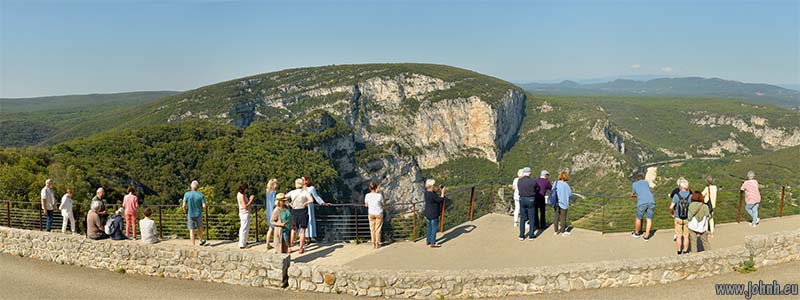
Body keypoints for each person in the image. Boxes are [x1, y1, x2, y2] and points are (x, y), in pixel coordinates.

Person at [287, 178, 313, 254]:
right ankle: (301, 248)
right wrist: (305, 203)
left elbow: (284, 197)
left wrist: (289, 204)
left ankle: (290, 247)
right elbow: (311, 200)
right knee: (302, 231)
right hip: (303, 211)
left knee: (293, 230)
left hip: (294, 212)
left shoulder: (292, 192)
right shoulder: (305, 192)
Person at [302, 176, 331, 240]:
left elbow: (316, 197)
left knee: (308, 221)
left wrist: (323, 203)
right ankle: (303, 238)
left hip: (309, 206)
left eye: (304, 180)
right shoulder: (300, 188)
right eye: (302, 180)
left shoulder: (311, 188)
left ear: (307, 181)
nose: (303, 181)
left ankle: (308, 237)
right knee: (302, 221)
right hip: (301, 206)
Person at [631, 173, 655, 241]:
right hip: (651, 201)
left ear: (637, 179)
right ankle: (646, 236)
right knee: (649, 219)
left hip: (642, 202)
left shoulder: (634, 184)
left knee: (638, 218)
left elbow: (633, 194)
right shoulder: (646, 182)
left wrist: (633, 195)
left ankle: (637, 233)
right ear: (643, 178)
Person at [182, 180, 207, 246]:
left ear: (191, 186)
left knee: (191, 230)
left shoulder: (187, 194)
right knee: (200, 228)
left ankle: (193, 245)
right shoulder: (201, 195)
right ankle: (200, 241)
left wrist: (185, 212)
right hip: (198, 213)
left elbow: (184, 205)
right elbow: (204, 206)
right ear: (197, 187)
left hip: (190, 214)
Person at [670, 178, 691, 254]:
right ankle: (685, 251)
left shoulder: (676, 196)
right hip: (687, 218)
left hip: (678, 217)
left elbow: (671, 207)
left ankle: (679, 251)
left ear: (680, 187)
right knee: (686, 236)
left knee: (679, 236)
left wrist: (672, 213)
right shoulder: (690, 196)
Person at [423, 179, 446, 248]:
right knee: (434, 228)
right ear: (431, 186)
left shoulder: (426, 192)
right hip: (433, 213)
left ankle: (428, 240)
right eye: (434, 185)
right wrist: (442, 193)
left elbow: (434, 196)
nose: (435, 186)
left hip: (427, 212)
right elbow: (440, 200)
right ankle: (433, 243)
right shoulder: (432, 194)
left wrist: (439, 189)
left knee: (429, 227)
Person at [516, 167, 537, 240]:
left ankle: (521, 235)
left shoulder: (519, 181)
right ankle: (531, 235)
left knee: (522, 217)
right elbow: (537, 189)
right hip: (531, 199)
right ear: (529, 173)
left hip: (522, 199)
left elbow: (519, 189)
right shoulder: (533, 181)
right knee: (531, 217)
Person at [364, 181, 384, 249]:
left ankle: (373, 244)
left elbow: (366, 205)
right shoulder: (379, 195)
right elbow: (382, 204)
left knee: (372, 229)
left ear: (370, 188)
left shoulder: (367, 195)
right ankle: (377, 244)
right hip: (378, 213)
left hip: (371, 213)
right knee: (378, 229)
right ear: (376, 187)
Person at [553, 171, 573, 236]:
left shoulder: (555, 183)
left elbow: (552, 191)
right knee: (563, 217)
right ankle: (563, 231)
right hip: (564, 203)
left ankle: (556, 231)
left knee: (556, 216)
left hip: (556, 202)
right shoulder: (566, 185)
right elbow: (570, 194)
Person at [237, 183, 255, 249]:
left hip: (243, 213)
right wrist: (251, 200)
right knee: (244, 228)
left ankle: (243, 241)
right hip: (244, 213)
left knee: (244, 228)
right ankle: (242, 244)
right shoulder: (241, 195)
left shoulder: (240, 194)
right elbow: (245, 206)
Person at [265, 179, 278, 250]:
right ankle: (276, 244)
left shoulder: (268, 192)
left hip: (268, 212)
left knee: (270, 228)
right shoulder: (274, 193)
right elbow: (275, 203)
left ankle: (267, 243)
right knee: (276, 229)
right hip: (274, 212)